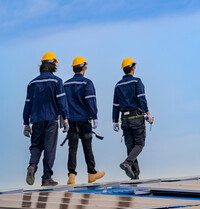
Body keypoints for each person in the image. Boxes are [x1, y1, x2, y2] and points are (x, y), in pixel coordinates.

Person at [23, 52, 69, 186]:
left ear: (42, 65)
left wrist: (26, 123)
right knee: (49, 148)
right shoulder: (56, 81)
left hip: (36, 120)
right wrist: (65, 119)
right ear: (53, 65)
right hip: (51, 120)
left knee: (36, 146)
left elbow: (27, 105)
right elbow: (62, 103)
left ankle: (32, 165)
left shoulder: (32, 83)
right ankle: (46, 178)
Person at [64, 56, 105, 184]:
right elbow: (90, 100)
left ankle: (71, 175)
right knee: (87, 146)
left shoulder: (65, 84)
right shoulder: (87, 82)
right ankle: (91, 173)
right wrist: (95, 116)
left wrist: (64, 119)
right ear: (83, 68)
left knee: (72, 147)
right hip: (84, 120)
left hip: (70, 121)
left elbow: (62, 104)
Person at [112, 58, 154, 180]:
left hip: (124, 119)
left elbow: (116, 104)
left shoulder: (118, 85)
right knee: (140, 144)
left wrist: (115, 120)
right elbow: (141, 98)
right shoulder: (137, 82)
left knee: (130, 147)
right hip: (136, 117)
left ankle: (135, 175)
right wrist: (147, 113)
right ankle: (128, 163)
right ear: (132, 68)